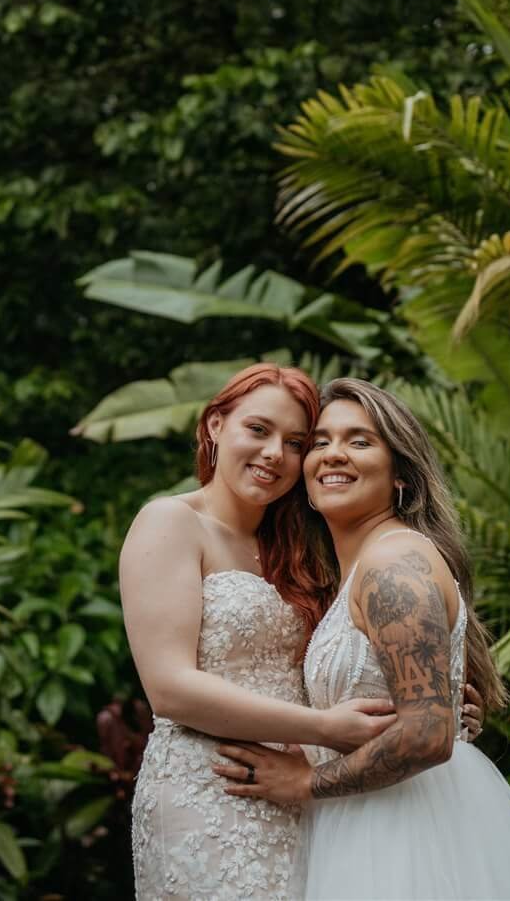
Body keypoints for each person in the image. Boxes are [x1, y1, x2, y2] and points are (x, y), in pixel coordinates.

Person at [209, 377, 510, 900]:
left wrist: (305, 783)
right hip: (366, 819)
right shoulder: (357, 569)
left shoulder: (394, 565)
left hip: (404, 831)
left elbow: (427, 735)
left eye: (359, 441)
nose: (334, 455)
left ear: (400, 474)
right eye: (319, 442)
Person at [119, 363, 383, 901]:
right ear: (216, 426)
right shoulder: (170, 522)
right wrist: (326, 728)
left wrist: (432, 698)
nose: (274, 455)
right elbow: (168, 688)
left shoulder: (304, 550)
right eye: (258, 430)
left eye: (294, 443)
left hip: (300, 793)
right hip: (209, 789)